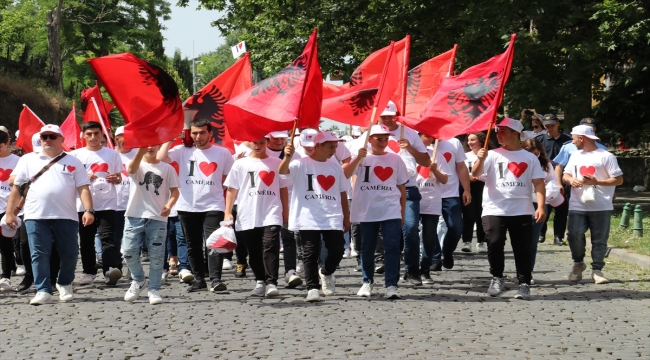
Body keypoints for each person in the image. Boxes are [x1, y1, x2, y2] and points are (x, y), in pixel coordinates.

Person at [6, 124, 94, 305]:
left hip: (66, 216)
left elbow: (83, 188)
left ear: (62, 139)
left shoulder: (73, 161)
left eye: (52, 136)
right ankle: (43, 289)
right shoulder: (28, 160)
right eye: (44, 137)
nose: (47, 140)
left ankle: (64, 283)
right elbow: (16, 188)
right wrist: (10, 213)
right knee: (38, 254)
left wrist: (88, 210)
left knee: (70, 253)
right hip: (35, 216)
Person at [471, 118, 546, 300]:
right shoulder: (491, 154)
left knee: (522, 248)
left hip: (521, 208)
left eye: (503, 131)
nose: (499, 134)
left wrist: (541, 206)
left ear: (516, 134)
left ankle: (524, 283)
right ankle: (497, 277)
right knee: (494, 243)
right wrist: (480, 159)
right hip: (494, 208)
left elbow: (538, 183)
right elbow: (475, 174)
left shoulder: (529, 158)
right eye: (497, 131)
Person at [157, 118, 234, 292]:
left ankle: (215, 279)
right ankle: (199, 279)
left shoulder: (222, 153)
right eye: (194, 133)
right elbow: (160, 158)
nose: (198, 136)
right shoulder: (182, 151)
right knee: (192, 244)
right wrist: (170, 139)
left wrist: (221, 192)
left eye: (202, 133)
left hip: (213, 205)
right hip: (187, 205)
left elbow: (231, 179)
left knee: (215, 242)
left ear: (210, 133)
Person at [279, 131, 350, 302]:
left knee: (338, 249)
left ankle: (325, 271)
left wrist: (346, 216)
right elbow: (282, 171)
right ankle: (312, 287)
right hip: (308, 215)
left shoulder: (335, 167)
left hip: (331, 214)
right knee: (310, 252)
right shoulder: (300, 164)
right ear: (318, 146)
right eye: (330, 147)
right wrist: (287, 156)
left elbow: (342, 192)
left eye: (335, 147)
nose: (334, 150)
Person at [348, 124, 408, 299]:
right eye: (379, 139)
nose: (383, 142)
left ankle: (391, 284)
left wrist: (402, 212)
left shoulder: (395, 159)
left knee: (392, 248)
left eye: (385, 139)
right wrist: (356, 158)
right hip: (367, 210)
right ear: (370, 139)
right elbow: (344, 174)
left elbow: (402, 187)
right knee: (367, 248)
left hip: (390, 210)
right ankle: (367, 281)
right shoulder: (361, 158)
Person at [223, 136, 288, 297]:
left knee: (270, 246)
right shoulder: (240, 163)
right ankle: (260, 280)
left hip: (271, 212)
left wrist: (285, 210)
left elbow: (283, 188)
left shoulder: (276, 163)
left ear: (267, 143)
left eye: (261, 142)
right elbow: (232, 189)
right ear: (249, 142)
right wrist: (227, 211)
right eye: (255, 142)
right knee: (253, 250)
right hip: (247, 212)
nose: (258, 146)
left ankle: (271, 282)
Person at [376, 101, 431, 286]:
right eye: (383, 115)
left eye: (390, 115)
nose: (386, 119)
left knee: (410, 228)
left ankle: (412, 269)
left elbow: (426, 160)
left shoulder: (409, 133)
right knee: (386, 232)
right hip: (382, 190)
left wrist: (410, 148)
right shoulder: (372, 133)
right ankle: (382, 267)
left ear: (397, 115)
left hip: (408, 188)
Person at [563, 125, 623, 284]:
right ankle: (578, 263)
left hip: (601, 205)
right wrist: (570, 180)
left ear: (581, 138)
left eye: (574, 138)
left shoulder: (606, 156)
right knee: (574, 235)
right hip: (577, 204)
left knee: (599, 240)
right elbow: (566, 175)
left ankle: (597, 269)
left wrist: (597, 181)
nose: (573, 141)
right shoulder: (575, 156)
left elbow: (618, 179)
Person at [122, 146, 179, 304]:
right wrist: (140, 151)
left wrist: (169, 205)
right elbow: (131, 170)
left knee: (157, 255)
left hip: (158, 217)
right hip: (134, 215)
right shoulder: (136, 164)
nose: (150, 147)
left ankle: (154, 288)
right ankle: (139, 280)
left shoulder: (167, 168)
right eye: (146, 144)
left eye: (154, 144)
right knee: (128, 250)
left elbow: (175, 191)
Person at [71, 121, 123, 286]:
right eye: (89, 134)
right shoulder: (76, 156)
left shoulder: (112, 154)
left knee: (108, 237)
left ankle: (110, 269)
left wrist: (116, 178)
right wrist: (85, 176)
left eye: (96, 133)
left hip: (107, 203)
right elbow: (70, 179)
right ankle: (88, 272)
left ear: (102, 134)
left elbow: (119, 176)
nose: (93, 137)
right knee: (86, 240)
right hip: (84, 205)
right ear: (83, 136)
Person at [263, 130, 303, 288]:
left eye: (282, 138)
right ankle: (267, 277)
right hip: (267, 202)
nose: (279, 141)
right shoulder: (262, 152)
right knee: (269, 242)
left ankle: (290, 271)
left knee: (289, 237)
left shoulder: (296, 155)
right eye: (275, 138)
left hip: (289, 201)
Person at [521, 138, 557, 283]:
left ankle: (527, 272)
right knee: (520, 241)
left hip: (539, 204)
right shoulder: (518, 162)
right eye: (530, 153)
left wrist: (548, 193)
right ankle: (519, 270)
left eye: (536, 153)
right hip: (520, 204)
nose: (534, 156)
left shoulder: (546, 165)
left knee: (532, 241)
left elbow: (552, 181)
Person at [417, 133, 449, 284]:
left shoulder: (437, 155)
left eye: (432, 136)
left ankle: (425, 269)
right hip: (412, 200)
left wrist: (435, 170)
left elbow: (444, 179)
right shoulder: (408, 154)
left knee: (429, 236)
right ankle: (411, 268)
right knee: (409, 233)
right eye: (427, 136)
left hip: (431, 201)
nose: (430, 139)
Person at [535, 114, 572, 246]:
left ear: (558, 124)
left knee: (561, 209)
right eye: (546, 126)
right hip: (545, 178)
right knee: (544, 206)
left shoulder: (568, 140)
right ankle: (541, 233)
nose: (549, 128)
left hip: (563, 177)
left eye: (551, 125)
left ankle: (558, 236)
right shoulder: (539, 139)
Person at [436, 136, 471, 265]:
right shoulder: (420, 142)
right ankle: (435, 257)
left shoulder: (453, 142)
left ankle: (447, 250)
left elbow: (461, 167)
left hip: (450, 193)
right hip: (429, 193)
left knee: (456, 226)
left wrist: (466, 189)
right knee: (429, 228)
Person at [461, 132, 487, 253]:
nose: (470, 142)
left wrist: (480, 177)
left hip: (483, 187)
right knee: (468, 214)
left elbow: (490, 171)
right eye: (468, 140)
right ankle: (467, 241)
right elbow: (460, 171)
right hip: (468, 187)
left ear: (480, 141)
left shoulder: (487, 155)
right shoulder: (464, 156)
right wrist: (469, 177)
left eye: (473, 140)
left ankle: (481, 242)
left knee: (481, 214)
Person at [0, 130, 19, 290]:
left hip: (8, 208)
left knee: (5, 243)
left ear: (7, 144)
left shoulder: (18, 161)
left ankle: (6, 277)